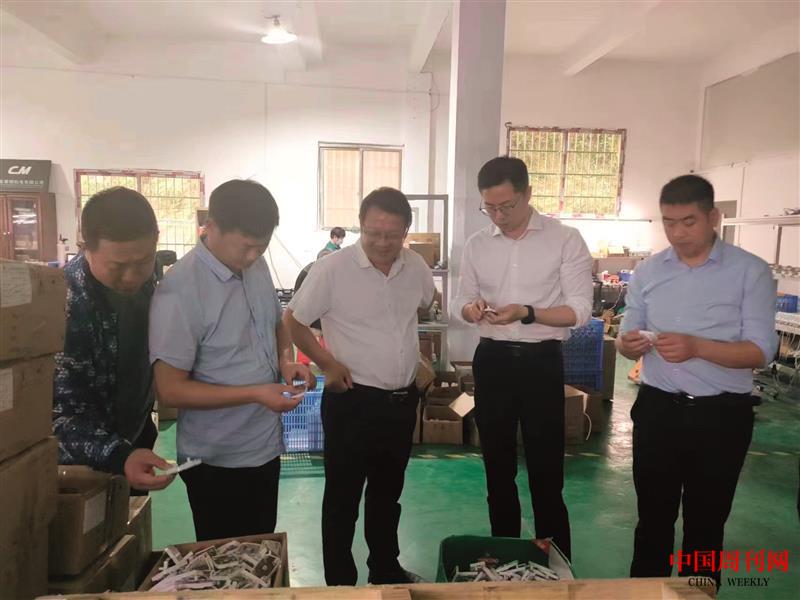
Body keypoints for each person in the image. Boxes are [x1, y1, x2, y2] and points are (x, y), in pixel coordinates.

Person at [618, 175, 777, 586]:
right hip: (658, 410)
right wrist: (628, 344)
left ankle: (698, 593)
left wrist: (697, 347)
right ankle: (645, 594)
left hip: (721, 415)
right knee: (652, 520)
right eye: (669, 222)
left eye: (688, 222)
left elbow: (762, 350)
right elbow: (626, 336)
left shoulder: (750, 271)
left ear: (713, 217)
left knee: (706, 524)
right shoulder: (649, 271)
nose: (677, 233)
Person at [284, 187, 435, 585]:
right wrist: (327, 363)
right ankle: (340, 584)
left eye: (392, 235)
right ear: (360, 226)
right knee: (343, 498)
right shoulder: (332, 270)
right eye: (373, 233)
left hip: (401, 401)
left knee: (388, 493)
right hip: (353, 401)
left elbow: (423, 305)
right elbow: (293, 321)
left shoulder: (416, 267)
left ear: (406, 231)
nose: (382, 243)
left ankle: (385, 569)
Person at [149, 179, 314, 541]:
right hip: (215, 460)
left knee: (261, 547)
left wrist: (286, 361)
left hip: (264, 447)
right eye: (246, 247)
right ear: (211, 227)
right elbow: (170, 390)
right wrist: (256, 393)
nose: (253, 256)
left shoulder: (256, 267)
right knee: (224, 558)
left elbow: (276, 324)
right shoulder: (181, 290)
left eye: (262, 246)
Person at [451, 156, 593, 559]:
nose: (498, 216)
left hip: (540, 362)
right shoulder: (478, 245)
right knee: (497, 469)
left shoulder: (565, 239)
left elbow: (580, 309)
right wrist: (470, 310)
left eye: (507, 206)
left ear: (528, 194)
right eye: (489, 207)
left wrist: (528, 312)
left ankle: (555, 562)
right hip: (492, 360)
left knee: (546, 471)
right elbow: (460, 300)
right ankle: (506, 558)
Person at [53, 187, 174, 492]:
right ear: (85, 247)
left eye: (143, 262)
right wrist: (119, 455)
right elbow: (57, 417)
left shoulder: (151, 282)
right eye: (118, 267)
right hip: (85, 463)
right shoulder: (64, 305)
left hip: (135, 435)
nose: (132, 277)